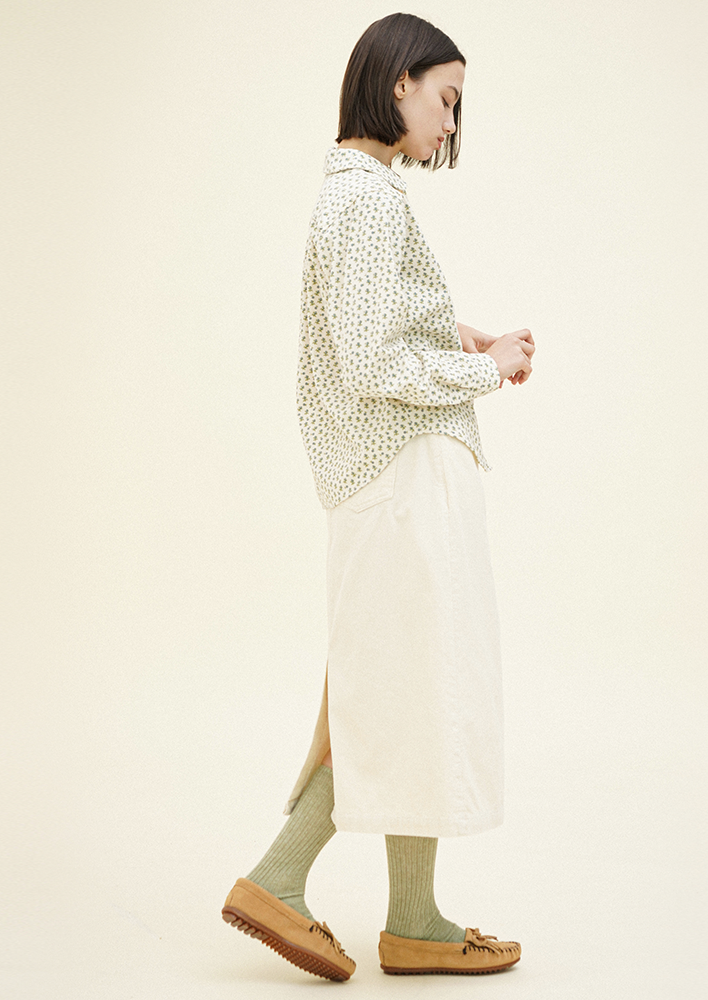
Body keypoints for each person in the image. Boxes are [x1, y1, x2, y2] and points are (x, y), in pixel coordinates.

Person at [221, 12, 534, 980]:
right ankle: (278, 880)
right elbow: (368, 363)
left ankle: (413, 918)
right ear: (399, 83)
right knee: (394, 696)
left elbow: (377, 328)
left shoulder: (361, 193)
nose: (451, 121)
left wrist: (457, 334)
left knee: (406, 690)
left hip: (394, 485)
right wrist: (485, 371)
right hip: (399, 485)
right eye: (447, 98)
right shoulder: (363, 200)